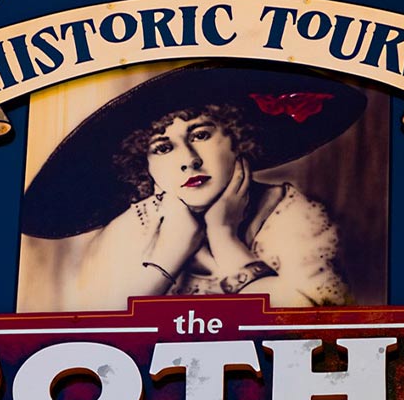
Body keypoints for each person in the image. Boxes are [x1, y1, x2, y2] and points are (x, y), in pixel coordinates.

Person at [20, 63, 365, 310]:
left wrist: (225, 236)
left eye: (200, 134)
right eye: (163, 147)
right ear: (146, 166)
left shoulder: (295, 216)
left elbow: (317, 332)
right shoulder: (129, 229)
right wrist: (171, 253)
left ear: (237, 138)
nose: (189, 160)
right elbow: (97, 339)